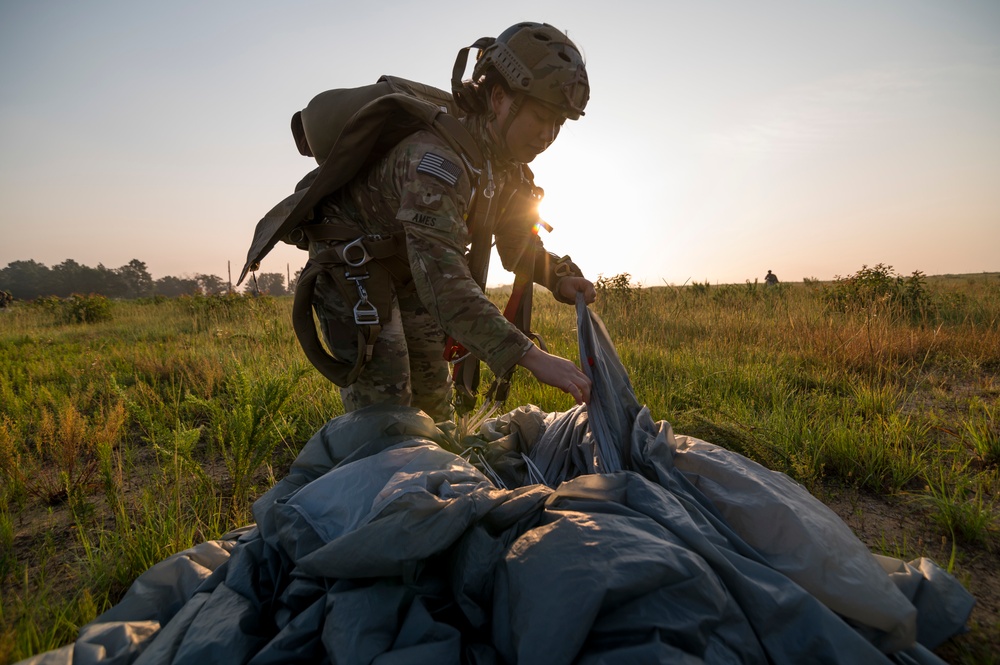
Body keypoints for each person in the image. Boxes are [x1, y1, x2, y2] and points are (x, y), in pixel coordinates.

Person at [309, 21, 596, 422]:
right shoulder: (437, 160)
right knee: (388, 417)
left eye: (559, 123)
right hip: (354, 268)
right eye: (541, 116)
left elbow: (516, 245)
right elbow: (443, 283)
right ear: (499, 98)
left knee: (433, 404)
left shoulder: (507, 167)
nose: (548, 134)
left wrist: (557, 277)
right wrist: (530, 356)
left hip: (410, 271)